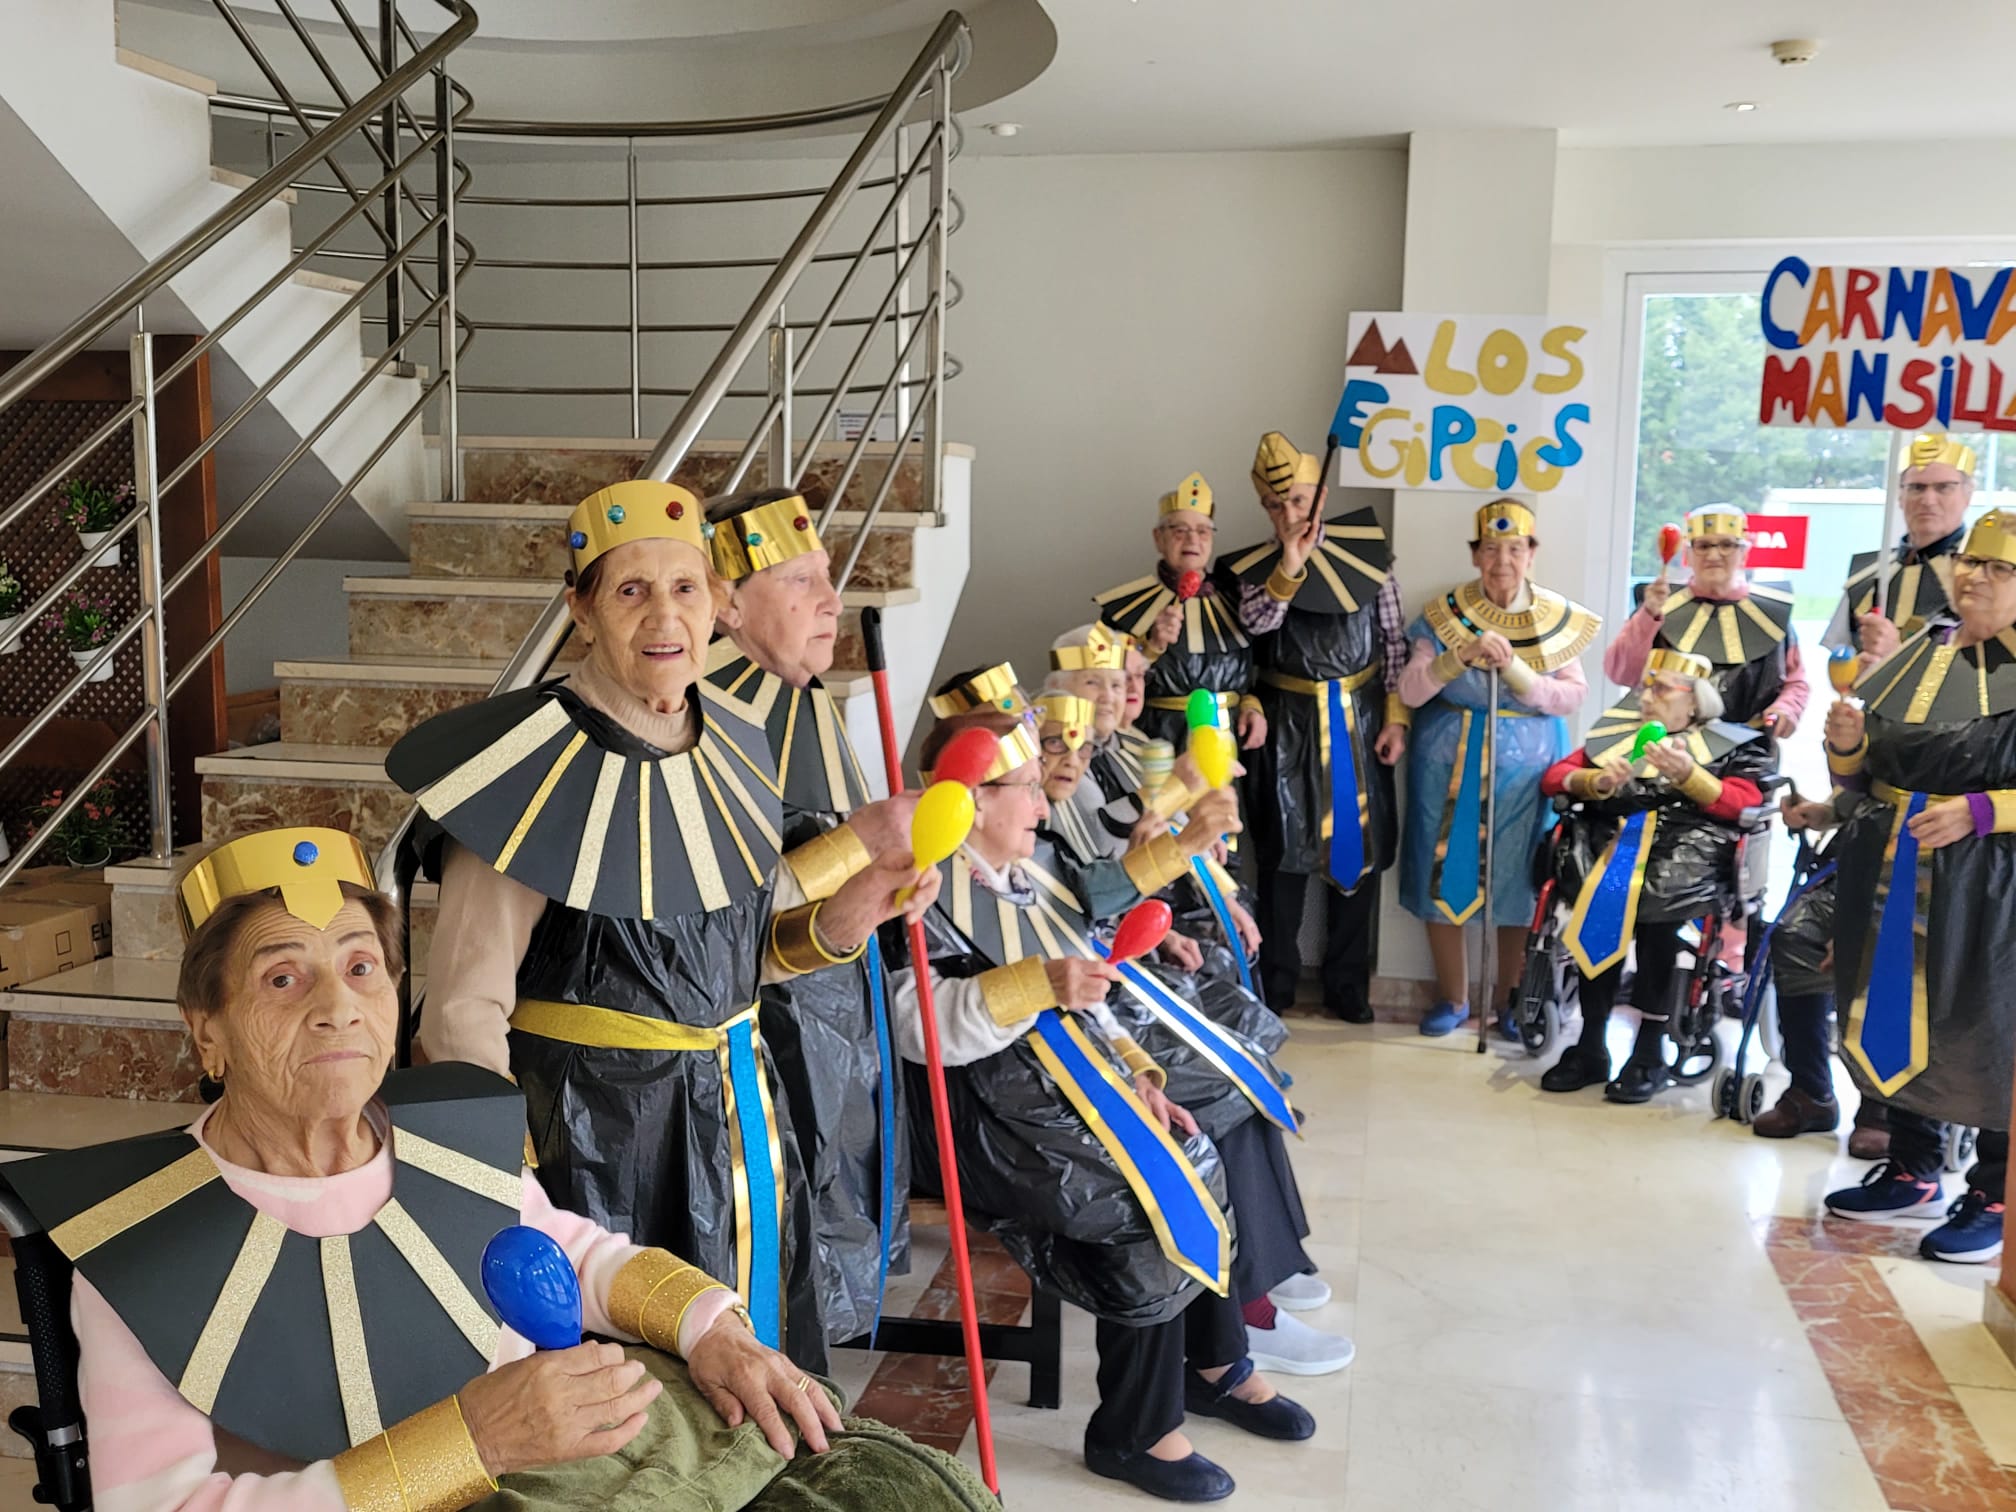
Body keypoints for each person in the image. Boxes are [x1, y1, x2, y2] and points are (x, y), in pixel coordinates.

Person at [7, 827, 994, 1511]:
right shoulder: (141, 1246)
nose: (336, 1005)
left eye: (360, 966)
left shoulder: (446, 1133)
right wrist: (466, 1444)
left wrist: (713, 1327)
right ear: (205, 1029)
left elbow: (565, 1248)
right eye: (280, 976)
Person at [390, 480, 935, 1372]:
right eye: (630, 590)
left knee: (763, 1382)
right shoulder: (520, 780)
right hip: (595, 1152)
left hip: (741, 1128)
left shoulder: (738, 746)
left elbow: (731, 967)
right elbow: (460, 1014)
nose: (663, 616)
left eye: (684, 587)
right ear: (582, 610)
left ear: (718, 605)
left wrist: (847, 917)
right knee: (644, 1424)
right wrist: (511, 1189)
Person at [891, 700, 1317, 1503]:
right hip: (984, 1113)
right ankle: (1134, 1432)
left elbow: (1088, 997)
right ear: (970, 798)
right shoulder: (924, 886)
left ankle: (1215, 1365)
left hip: (1062, 1085)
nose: (1047, 804)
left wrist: (1141, 1079)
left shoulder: (1020, 876)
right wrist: (1041, 986)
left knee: (1194, 1136)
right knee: (1146, 1190)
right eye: (1025, 787)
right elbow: (919, 1028)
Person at [1026, 687, 1347, 1372]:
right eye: (1051, 746)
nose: (1069, 761)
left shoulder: (1050, 809)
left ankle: (1266, 1264)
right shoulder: (1006, 831)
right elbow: (1084, 903)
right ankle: (1248, 1307)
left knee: (1238, 1070)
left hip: (1101, 994)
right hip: (1052, 1038)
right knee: (1218, 1098)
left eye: (1079, 746)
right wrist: (1171, 828)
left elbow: (1093, 895)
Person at [703, 487, 916, 1348]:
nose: (832, 602)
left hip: (834, 1009)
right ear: (724, 606)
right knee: (779, 1237)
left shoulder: (809, 702)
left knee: (838, 1201)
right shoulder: (707, 720)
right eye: (799, 583)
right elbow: (716, 924)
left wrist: (891, 881)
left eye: (826, 578)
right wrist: (859, 843)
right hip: (759, 1034)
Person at [1814, 508, 2016, 1265]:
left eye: (2001, 569)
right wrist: (1846, 747)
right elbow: (1869, 774)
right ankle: (1913, 1165)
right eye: (1973, 562)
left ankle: (1997, 1191)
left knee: (1984, 1020)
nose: (1978, 577)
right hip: (1889, 861)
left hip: (1988, 882)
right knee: (1891, 1003)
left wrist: (1983, 810)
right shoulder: (1924, 646)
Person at [1814, 435, 1977, 1157]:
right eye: (1915, 487)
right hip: (1878, 777)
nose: (1927, 501)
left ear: (1968, 496)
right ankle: (1872, 1102)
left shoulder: (1979, 580)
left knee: (1937, 970)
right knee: (1870, 952)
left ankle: (1931, 1124)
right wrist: (1862, 672)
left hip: (1958, 794)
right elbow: (1841, 678)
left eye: (1942, 488)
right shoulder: (1868, 575)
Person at [1221, 430, 1409, 1024]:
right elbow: (1251, 631)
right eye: (1276, 506)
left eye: (1298, 501)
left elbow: (1394, 645)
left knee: (1359, 848)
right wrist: (1290, 568)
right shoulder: (1251, 570)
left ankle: (1347, 982)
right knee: (1282, 851)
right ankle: (1275, 979)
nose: (1288, 514)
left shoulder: (1370, 561)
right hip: (1284, 726)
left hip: (1357, 720)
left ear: (1320, 497)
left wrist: (1397, 717)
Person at [1397, 498, 1600, 1037]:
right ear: (1474, 555)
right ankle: (1453, 997)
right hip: (1447, 764)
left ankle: (1511, 1000)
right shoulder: (1441, 615)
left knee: (1518, 882)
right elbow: (1411, 691)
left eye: (1515, 549)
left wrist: (1515, 671)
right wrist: (1455, 658)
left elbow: (1572, 697)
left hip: (1526, 775)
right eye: (1491, 549)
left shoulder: (1555, 619)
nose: (1502, 561)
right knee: (1443, 868)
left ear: (1532, 555)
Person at [1535, 652, 1768, 1101]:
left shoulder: (1731, 744)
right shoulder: (1618, 738)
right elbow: (1555, 777)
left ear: (1694, 704)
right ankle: (1590, 1046)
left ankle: (1648, 1052)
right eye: (1646, 687)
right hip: (1615, 846)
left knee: (1658, 916)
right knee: (1601, 906)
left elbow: (1745, 803)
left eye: (1661, 689)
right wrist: (1597, 781)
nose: (1646, 697)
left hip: (1686, 856)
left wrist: (1692, 777)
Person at [1094, 472, 1263, 752]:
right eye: (1179, 530)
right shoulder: (1123, 608)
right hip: (1159, 738)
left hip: (1230, 738)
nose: (1192, 540)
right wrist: (1151, 648)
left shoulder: (1239, 599)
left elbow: (1259, 671)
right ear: (1159, 538)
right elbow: (1103, 685)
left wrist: (1252, 706)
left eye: (1202, 531)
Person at [1606, 503, 1806, 734]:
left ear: (1744, 553)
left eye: (1726, 545)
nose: (1713, 555)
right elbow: (1620, 673)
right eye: (1703, 546)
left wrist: (1786, 709)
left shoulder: (1770, 615)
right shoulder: (1658, 607)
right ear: (1688, 554)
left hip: (1747, 747)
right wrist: (1647, 615)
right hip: (1668, 746)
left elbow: (1796, 681)